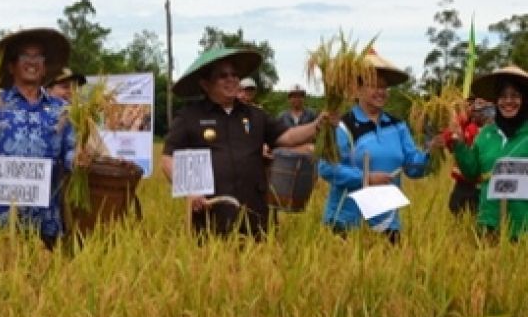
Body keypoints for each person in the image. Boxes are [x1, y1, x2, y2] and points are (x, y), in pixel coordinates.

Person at [162, 46, 322, 238]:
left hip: (256, 214)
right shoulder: (189, 116)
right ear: (205, 84)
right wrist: (190, 192)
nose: (231, 79)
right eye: (222, 75)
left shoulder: (255, 115)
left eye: (234, 74)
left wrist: (317, 126)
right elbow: (167, 159)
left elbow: (287, 137)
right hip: (211, 214)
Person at [0, 28, 76, 249]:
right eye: (25, 56)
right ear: (11, 66)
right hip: (0, 219)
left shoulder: (62, 110)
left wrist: (80, 158)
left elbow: (70, 153)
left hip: (47, 220)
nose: (32, 62)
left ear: (45, 67)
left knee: (46, 281)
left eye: (38, 57)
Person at [318, 50, 441, 243]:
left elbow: (412, 167)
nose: (381, 91)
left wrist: (432, 152)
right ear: (357, 90)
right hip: (347, 222)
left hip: (387, 222)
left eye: (384, 87)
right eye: (374, 85)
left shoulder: (397, 125)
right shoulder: (342, 125)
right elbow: (326, 168)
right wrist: (366, 178)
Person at [453, 65, 528, 239]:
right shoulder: (486, 134)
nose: (508, 101)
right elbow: (472, 172)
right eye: (502, 96)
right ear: (496, 100)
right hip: (489, 222)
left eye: (515, 96)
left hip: (523, 224)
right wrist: (459, 144)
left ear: (524, 99)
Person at [444, 96, 492, 216]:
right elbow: (449, 140)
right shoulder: (465, 126)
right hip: (463, 184)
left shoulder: (493, 131)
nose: (479, 111)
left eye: (484, 107)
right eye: (477, 106)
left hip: (483, 185)